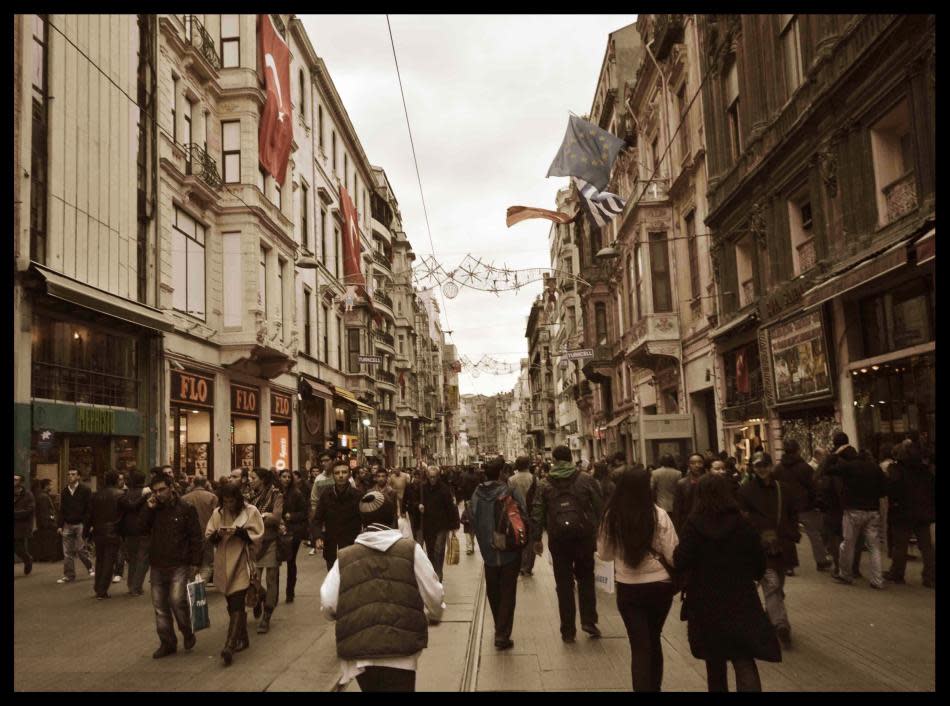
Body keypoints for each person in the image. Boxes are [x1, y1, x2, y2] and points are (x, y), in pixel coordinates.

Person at [320, 490, 445, 692]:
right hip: (402, 651)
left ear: (362, 522)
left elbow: (328, 602)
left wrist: (341, 615)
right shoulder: (410, 550)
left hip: (362, 654)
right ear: (392, 519)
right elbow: (434, 593)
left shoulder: (345, 556)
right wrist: (435, 612)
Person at [674, 473, 781, 692]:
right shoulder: (742, 523)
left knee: (714, 661)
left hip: (705, 601)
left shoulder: (694, 525)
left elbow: (680, 560)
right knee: (743, 658)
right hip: (740, 597)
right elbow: (759, 562)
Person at [597, 466, 678, 691]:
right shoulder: (659, 514)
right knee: (654, 639)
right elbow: (673, 554)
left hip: (629, 587)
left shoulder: (611, 516)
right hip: (660, 586)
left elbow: (604, 554)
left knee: (639, 646)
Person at [532, 445, 604, 642]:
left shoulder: (544, 483)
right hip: (583, 537)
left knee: (563, 584)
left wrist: (537, 538)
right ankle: (589, 621)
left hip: (558, 539)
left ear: (554, 460)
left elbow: (537, 512)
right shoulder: (586, 479)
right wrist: (598, 531)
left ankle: (568, 630)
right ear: (571, 458)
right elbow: (599, 506)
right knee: (586, 579)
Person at [737, 452, 798, 648]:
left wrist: (791, 532)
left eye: (764, 465)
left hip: (782, 545)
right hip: (760, 547)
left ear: (771, 466)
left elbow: (792, 514)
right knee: (772, 585)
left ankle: (773, 618)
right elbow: (743, 519)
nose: (761, 469)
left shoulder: (784, 490)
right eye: (757, 466)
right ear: (752, 468)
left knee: (777, 586)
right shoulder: (745, 491)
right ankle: (780, 625)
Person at [141, 472, 203, 658]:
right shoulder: (153, 509)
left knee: (177, 601)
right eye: (155, 491)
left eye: (162, 490)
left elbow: (195, 536)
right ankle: (167, 642)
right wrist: (148, 509)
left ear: (171, 488)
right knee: (160, 607)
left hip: (179, 562)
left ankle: (186, 631)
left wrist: (195, 562)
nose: (159, 494)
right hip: (158, 562)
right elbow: (140, 529)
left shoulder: (186, 508)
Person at [471, 456, 528, 649]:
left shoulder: (477, 493)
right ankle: (502, 633)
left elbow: (472, 517)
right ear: (502, 472)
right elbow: (523, 515)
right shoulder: (509, 491)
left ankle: (499, 627)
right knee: (507, 592)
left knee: (494, 591)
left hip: (488, 551)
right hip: (509, 550)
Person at [206, 481, 264, 666]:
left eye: (232, 501)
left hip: (242, 561)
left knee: (238, 601)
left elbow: (257, 535)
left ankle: (229, 645)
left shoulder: (251, 511)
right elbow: (209, 534)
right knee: (231, 603)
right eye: (225, 501)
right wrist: (216, 535)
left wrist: (241, 534)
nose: (228, 505)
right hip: (224, 562)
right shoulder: (218, 513)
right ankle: (243, 638)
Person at [823, 432, 887, 589]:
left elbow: (827, 469)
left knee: (848, 543)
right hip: (872, 511)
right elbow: (884, 489)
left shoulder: (849, 467)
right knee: (874, 547)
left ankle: (846, 574)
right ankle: (877, 580)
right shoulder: (874, 468)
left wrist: (834, 454)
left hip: (853, 510)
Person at [774, 439, 831, 573]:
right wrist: (816, 501)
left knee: (787, 536)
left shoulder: (778, 469)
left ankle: (789, 566)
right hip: (805, 505)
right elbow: (813, 487)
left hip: (786, 506)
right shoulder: (805, 468)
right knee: (814, 533)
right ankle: (821, 560)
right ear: (798, 450)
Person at [885, 439, 935, 587]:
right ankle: (930, 576)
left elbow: (892, 489)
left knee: (900, 545)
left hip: (902, 512)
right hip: (923, 512)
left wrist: (894, 503)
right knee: (926, 546)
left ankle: (897, 573)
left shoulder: (896, 470)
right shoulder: (925, 470)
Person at [244, 467, 284, 633]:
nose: (250, 480)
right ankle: (261, 595)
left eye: (254, 477)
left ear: (262, 479)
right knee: (252, 580)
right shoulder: (249, 496)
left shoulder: (276, 494)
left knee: (271, 578)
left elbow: (276, 517)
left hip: (270, 541)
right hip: (252, 542)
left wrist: (259, 518)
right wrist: (263, 516)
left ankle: (267, 615)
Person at [313, 461, 364, 571]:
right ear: (333, 475)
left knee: (350, 581)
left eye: (344, 472)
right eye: (337, 473)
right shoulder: (326, 495)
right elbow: (317, 519)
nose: (341, 475)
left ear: (349, 474)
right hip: (331, 546)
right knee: (333, 583)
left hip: (352, 546)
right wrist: (318, 537)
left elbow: (366, 520)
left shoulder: (358, 495)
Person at [417, 466, 459, 582]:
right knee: (430, 551)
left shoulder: (444, 489)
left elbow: (451, 508)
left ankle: (438, 576)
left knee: (438, 550)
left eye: (434, 477)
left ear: (438, 476)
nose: (432, 479)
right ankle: (433, 574)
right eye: (430, 477)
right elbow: (416, 502)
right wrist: (419, 506)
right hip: (428, 525)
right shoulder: (423, 489)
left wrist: (454, 526)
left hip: (441, 525)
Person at [89, 470, 124, 599]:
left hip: (98, 530)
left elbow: (90, 514)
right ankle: (102, 589)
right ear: (116, 480)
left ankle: (98, 586)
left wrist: (88, 529)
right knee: (109, 561)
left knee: (100, 559)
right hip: (113, 531)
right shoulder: (120, 494)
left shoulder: (96, 495)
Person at [56, 468, 94, 584]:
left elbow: (89, 509)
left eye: (73, 474)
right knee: (67, 552)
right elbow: (62, 509)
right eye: (68, 474)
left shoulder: (85, 490)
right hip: (67, 523)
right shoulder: (64, 491)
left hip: (80, 524)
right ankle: (69, 575)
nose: (70, 476)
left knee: (80, 549)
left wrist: (89, 524)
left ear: (78, 477)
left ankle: (90, 567)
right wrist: (59, 525)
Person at [118, 469, 152, 596]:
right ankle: (136, 587)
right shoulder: (147, 493)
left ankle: (131, 584)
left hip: (128, 530)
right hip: (143, 529)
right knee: (142, 559)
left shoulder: (125, 494)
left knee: (132, 559)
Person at [278, 468, 309, 603]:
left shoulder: (296, 494)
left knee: (291, 561)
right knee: (275, 562)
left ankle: (290, 592)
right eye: (284, 477)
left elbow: (304, 512)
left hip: (292, 531)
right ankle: (274, 593)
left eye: (288, 477)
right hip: (278, 531)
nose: (286, 479)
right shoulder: (275, 493)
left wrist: (292, 516)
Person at [181, 475, 218, 584]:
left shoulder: (185, 498)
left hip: (189, 535)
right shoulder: (212, 497)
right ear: (205, 483)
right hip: (208, 532)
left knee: (192, 562)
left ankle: (192, 584)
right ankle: (199, 587)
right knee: (207, 563)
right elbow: (217, 515)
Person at [507, 456, 538, 575]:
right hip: (531, 513)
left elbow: (509, 498)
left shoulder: (511, 479)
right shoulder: (534, 478)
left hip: (516, 514)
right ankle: (528, 567)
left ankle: (520, 565)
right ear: (528, 465)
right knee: (531, 541)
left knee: (518, 538)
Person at [672, 453, 706, 533]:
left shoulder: (709, 481)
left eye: (699, 462)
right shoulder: (682, 483)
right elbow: (677, 508)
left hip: (706, 522)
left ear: (703, 464)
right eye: (693, 463)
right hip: (688, 524)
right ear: (688, 465)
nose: (696, 465)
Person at [32, 478, 59, 562]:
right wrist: (51, 521)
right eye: (50, 484)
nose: (52, 486)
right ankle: (48, 557)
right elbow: (45, 512)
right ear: (46, 486)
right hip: (46, 523)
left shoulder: (43, 495)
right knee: (48, 540)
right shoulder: (43, 497)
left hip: (45, 523)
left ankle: (44, 557)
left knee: (45, 540)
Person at [14, 474, 35, 576]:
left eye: (16, 480)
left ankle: (27, 559)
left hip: (21, 526)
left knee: (18, 547)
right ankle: (27, 558)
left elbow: (29, 510)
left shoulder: (28, 494)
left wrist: (16, 514)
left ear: (21, 482)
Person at [457, 465, 480, 555]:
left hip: (467, 497)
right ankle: (472, 544)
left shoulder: (465, 476)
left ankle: (466, 519)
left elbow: (462, 485)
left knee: (467, 512)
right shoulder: (476, 477)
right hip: (474, 498)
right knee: (473, 514)